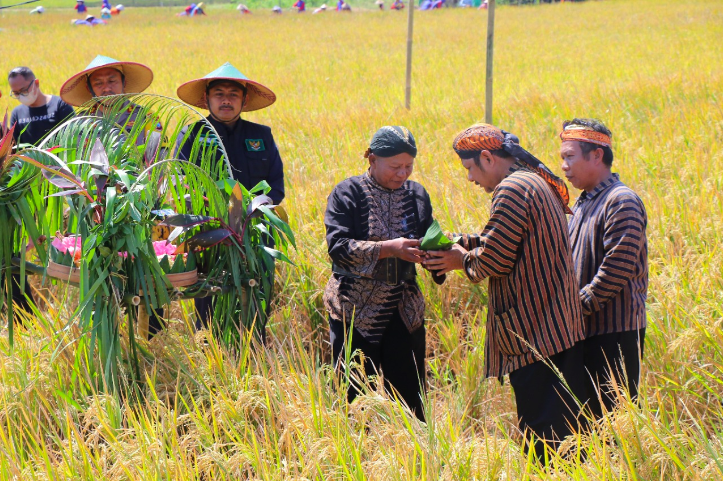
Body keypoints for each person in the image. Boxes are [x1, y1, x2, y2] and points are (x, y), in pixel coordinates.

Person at [423, 123, 587, 460]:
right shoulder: (531, 180)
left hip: (536, 333)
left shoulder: (511, 189)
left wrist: (459, 259)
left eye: (470, 168)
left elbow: (492, 261)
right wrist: (463, 242)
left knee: (543, 434)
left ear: (487, 157)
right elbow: (505, 239)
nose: (470, 178)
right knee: (560, 427)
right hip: (556, 326)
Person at [324, 126, 444, 423]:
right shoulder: (347, 193)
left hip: (403, 311)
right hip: (355, 309)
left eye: (408, 167)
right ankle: (357, 460)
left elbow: (430, 236)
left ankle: (413, 458)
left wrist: (439, 257)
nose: (403, 174)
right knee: (353, 399)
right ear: (372, 159)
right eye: (395, 167)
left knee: (410, 401)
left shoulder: (416, 195)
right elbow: (338, 247)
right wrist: (389, 248)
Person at [176, 62, 284, 334]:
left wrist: (245, 212)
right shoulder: (191, 135)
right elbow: (180, 184)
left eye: (234, 94)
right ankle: (210, 358)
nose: (226, 100)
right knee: (209, 306)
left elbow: (276, 189)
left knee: (256, 299)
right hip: (208, 235)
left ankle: (254, 353)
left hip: (254, 235)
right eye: (219, 94)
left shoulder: (261, 136)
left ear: (244, 100)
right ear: (207, 99)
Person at [559, 118, 648, 420]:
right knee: (587, 421)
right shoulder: (583, 202)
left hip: (615, 334)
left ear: (596, 155)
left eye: (569, 156)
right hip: (584, 330)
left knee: (614, 423)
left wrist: (574, 306)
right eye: (563, 158)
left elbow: (616, 268)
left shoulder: (621, 201)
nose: (564, 166)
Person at [59, 55, 155, 134]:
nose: (107, 88)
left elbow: (161, 156)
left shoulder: (146, 118)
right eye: (99, 83)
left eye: (112, 81)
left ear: (124, 83)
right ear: (89, 88)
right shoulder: (79, 124)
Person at [8, 66, 75, 146]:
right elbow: (13, 147)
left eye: (23, 90)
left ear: (36, 83)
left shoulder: (60, 105)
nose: (21, 95)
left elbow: (74, 136)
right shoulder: (17, 114)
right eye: (16, 93)